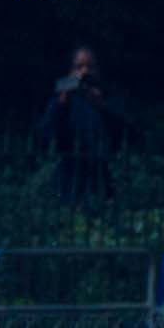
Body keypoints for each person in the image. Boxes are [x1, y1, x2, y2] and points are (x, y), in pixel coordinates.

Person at [35, 45, 123, 209]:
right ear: (71, 70)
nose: (85, 72)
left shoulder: (106, 96)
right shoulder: (63, 100)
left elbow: (124, 131)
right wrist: (62, 102)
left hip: (100, 173)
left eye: (90, 67)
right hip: (71, 174)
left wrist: (102, 106)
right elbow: (46, 132)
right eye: (79, 66)